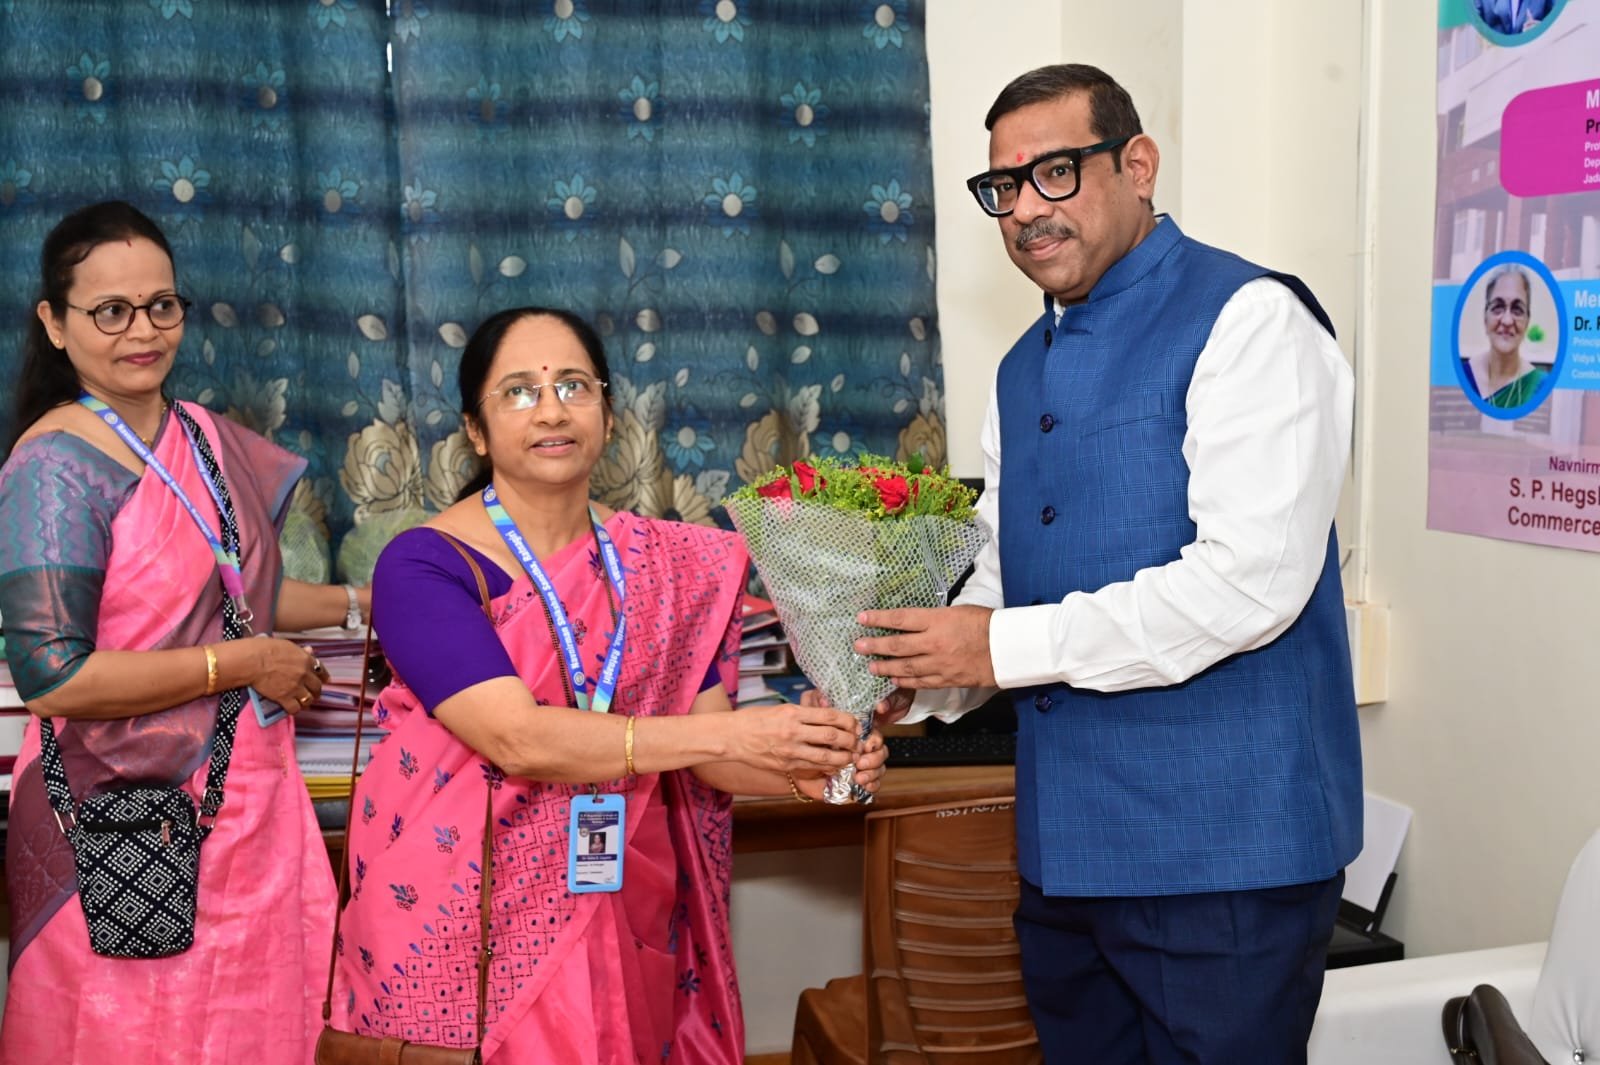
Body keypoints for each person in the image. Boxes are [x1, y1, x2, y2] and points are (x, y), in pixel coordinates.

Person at [854, 65, 1361, 1064]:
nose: (1023, 210)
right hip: (1065, 861)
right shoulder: (1020, 367)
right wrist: (921, 679)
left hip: (1225, 859)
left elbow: (1249, 583)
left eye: (1055, 173)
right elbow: (1005, 572)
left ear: (1137, 165)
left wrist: (995, 647)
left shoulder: (1250, 318)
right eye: (1003, 186)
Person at [329, 306, 886, 1064]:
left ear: (609, 412)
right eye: (519, 391)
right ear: (475, 431)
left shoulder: (663, 565)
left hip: (619, 892)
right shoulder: (425, 564)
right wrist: (736, 733)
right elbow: (517, 737)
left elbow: (710, 753)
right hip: (454, 912)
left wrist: (806, 767)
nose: (552, 409)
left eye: (574, 386)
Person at [0, 200, 370, 1063]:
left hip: (246, 809)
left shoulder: (200, 436)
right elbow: (54, 676)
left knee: (255, 1029)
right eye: (111, 311)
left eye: (161, 305)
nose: (143, 331)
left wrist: (365, 600)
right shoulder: (53, 467)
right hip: (116, 817)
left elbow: (239, 595)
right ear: (55, 323)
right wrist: (243, 662)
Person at [1462, 264, 1547, 410]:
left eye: (1517, 309)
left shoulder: (1540, 386)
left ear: (1527, 322)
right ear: (1485, 318)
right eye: (1498, 307)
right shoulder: (1462, 377)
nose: (1507, 321)